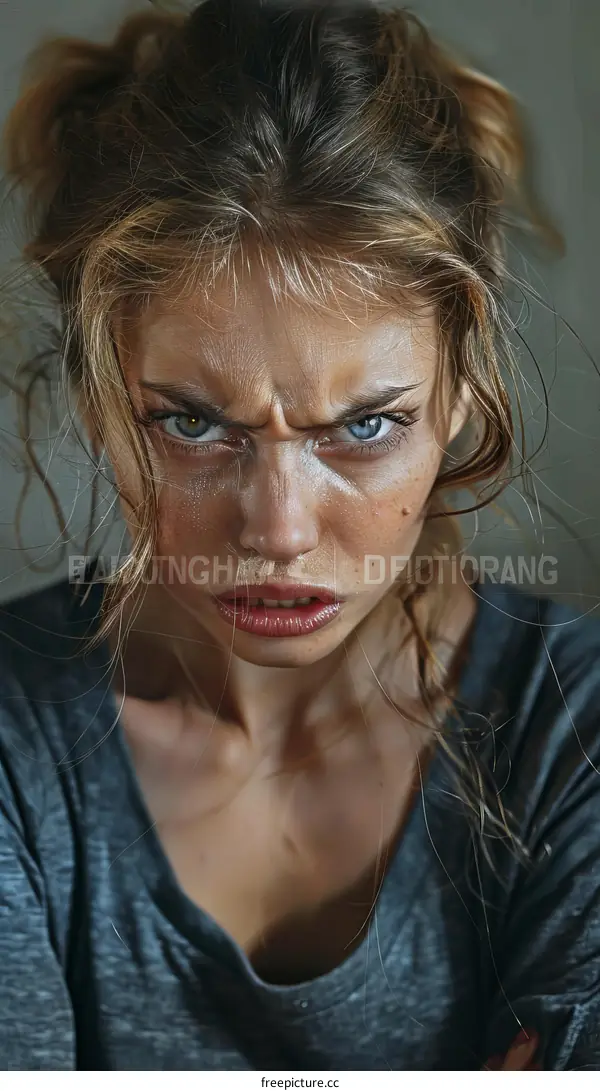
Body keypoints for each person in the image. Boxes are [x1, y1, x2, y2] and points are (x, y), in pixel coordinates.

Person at [0, 0, 598, 1072]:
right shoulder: (15, 742)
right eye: (193, 421)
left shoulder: (576, 731)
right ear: (101, 399)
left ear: (462, 390)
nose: (277, 527)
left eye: (366, 424)